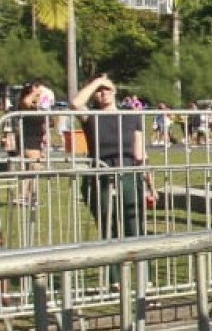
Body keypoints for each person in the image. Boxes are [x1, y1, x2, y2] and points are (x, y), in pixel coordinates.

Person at [71, 74, 148, 239]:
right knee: (107, 227)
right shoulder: (91, 116)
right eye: (99, 90)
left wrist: (150, 184)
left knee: (134, 226)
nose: (103, 92)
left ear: (114, 90)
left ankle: (140, 264)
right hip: (101, 175)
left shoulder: (132, 116)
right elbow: (76, 103)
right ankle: (113, 265)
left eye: (107, 88)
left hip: (128, 173)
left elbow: (140, 153)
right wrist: (98, 81)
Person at [16, 80, 53, 206]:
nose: (38, 97)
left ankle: (27, 195)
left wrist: (46, 133)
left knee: (31, 169)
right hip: (28, 140)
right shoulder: (24, 104)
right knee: (33, 167)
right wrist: (35, 91)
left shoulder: (37, 107)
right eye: (36, 95)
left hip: (37, 139)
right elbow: (26, 101)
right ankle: (25, 195)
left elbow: (44, 121)